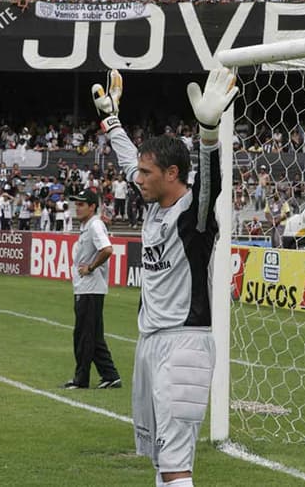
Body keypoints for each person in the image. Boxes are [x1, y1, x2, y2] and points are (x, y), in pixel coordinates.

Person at [91, 67, 238, 486]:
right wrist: (112, 120)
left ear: (173, 174)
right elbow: (125, 161)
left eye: (147, 173)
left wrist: (208, 131)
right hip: (151, 342)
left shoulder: (195, 215)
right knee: (162, 462)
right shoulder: (154, 206)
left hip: (184, 344)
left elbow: (214, 182)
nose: (137, 180)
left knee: (176, 467)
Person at [63, 188, 121, 390]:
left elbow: (107, 250)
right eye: (76, 204)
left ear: (92, 206)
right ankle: (110, 375)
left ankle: (81, 379)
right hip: (87, 288)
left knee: (84, 335)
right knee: (93, 336)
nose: (77, 208)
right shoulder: (89, 225)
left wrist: (91, 267)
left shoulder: (95, 225)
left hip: (90, 289)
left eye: (81, 204)